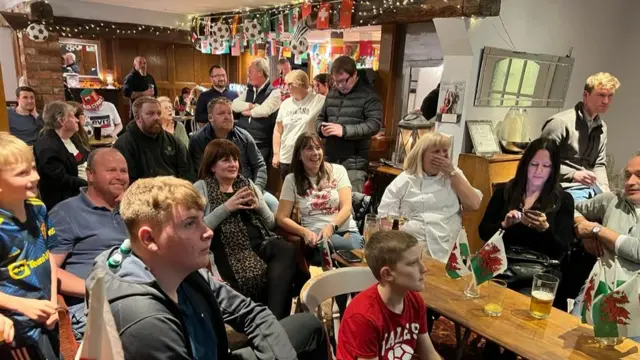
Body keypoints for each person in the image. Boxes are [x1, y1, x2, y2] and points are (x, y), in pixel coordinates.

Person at [86, 176, 328, 359]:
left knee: (308, 325)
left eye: (202, 219)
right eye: (190, 224)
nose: (208, 231)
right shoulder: (145, 320)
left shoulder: (181, 269)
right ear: (149, 239)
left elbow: (253, 313)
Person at [194, 139, 302, 320]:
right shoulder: (201, 187)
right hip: (226, 252)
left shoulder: (247, 183)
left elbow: (270, 223)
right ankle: (275, 323)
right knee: (272, 277)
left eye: (235, 159)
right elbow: (198, 230)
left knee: (285, 249)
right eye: (226, 160)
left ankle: (274, 320)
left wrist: (258, 205)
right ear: (212, 166)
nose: (233, 164)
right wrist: (227, 207)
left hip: (260, 244)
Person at [49, 148, 129, 340]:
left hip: (131, 296)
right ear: (90, 175)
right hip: (90, 307)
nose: (120, 177)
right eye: (111, 170)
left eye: (124, 171)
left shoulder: (130, 209)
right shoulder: (66, 213)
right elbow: (48, 270)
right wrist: (97, 291)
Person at [478, 138, 574, 294]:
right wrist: (504, 225)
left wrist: (545, 229)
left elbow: (561, 249)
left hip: (538, 271)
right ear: (525, 164)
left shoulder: (563, 200)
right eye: (534, 165)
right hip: (501, 263)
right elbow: (483, 232)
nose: (539, 171)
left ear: (553, 168)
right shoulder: (505, 192)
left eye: (546, 166)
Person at [377, 132, 482, 262]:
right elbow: (385, 221)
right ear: (421, 155)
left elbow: (474, 204)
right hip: (413, 249)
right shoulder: (405, 180)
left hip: (450, 248)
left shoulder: (453, 175)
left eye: (444, 151)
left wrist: (451, 172)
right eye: (436, 151)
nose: (442, 156)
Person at [336, 230, 440, 360]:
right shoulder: (364, 317)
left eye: (420, 260)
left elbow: (429, 354)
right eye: (413, 263)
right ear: (387, 274)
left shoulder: (414, 300)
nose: (424, 268)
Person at [0, 133, 59, 358]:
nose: (34, 177)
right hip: (17, 331)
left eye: (33, 168)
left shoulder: (38, 209)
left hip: (46, 320)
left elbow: (48, 257)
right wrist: (22, 305)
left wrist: (52, 301)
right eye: (22, 173)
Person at [571, 151, 640, 340]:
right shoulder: (612, 200)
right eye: (627, 175)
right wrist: (583, 230)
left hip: (635, 307)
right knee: (569, 346)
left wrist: (597, 230)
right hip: (597, 292)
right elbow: (571, 207)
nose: (630, 182)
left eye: (639, 175)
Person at [276, 132, 364, 264]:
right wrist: (303, 232)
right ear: (299, 154)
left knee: (349, 250)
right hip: (316, 237)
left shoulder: (338, 171)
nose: (316, 153)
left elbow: (346, 207)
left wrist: (331, 226)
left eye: (318, 148)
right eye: (309, 149)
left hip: (346, 231)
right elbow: (281, 217)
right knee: (331, 253)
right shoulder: (292, 180)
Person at [189, 97, 281, 212]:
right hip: (215, 190)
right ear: (210, 118)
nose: (227, 117)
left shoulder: (244, 136)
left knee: (274, 205)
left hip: (247, 187)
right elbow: (201, 172)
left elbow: (259, 165)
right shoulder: (198, 139)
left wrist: (255, 189)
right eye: (221, 113)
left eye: (230, 113)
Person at [541, 72, 620, 203]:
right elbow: (540, 163)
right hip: (563, 189)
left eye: (610, 96)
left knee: (621, 208)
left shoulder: (602, 127)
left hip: (590, 189)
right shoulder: (560, 123)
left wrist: (605, 188)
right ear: (585, 95)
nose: (606, 101)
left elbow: (599, 164)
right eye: (601, 95)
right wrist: (573, 174)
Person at [315, 55, 382, 192]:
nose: (340, 85)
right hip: (329, 160)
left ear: (354, 74)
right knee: (326, 204)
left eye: (343, 81)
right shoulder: (332, 94)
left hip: (354, 164)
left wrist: (344, 130)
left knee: (350, 205)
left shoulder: (369, 95)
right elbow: (320, 118)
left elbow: (374, 125)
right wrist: (321, 129)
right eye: (336, 81)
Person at [114, 96, 195, 184]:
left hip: (175, 192)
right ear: (137, 118)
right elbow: (127, 181)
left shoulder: (173, 142)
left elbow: (188, 173)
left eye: (159, 113)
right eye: (150, 113)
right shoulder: (124, 144)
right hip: (141, 194)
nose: (156, 117)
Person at [34, 101, 89, 209]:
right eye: (73, 117)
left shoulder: (72, 137)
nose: (77, 120)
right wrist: (90, 184)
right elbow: (62, 180)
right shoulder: (47, 147)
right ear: (62, 121)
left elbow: (85, 157)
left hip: (82, 189)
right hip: (65, 200)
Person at [273, 70, 325, 179]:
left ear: (300, 84)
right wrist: (276, 153)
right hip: (286, 156)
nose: (287, 88)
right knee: (288, 191)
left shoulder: (318, 100)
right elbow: (278, 130)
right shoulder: (285, 104)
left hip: (308, 157)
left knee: (307, 191)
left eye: (290, 84)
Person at [232, 58, 281, 162]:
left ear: (260, 72)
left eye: (250, 72)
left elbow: (264, 111)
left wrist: (246, 111)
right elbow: (234, 105)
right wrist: (251, 105)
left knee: (259, 174)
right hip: (241, 140)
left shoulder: (275, 92)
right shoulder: (249, 91)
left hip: (261, 144)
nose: (248, 75)